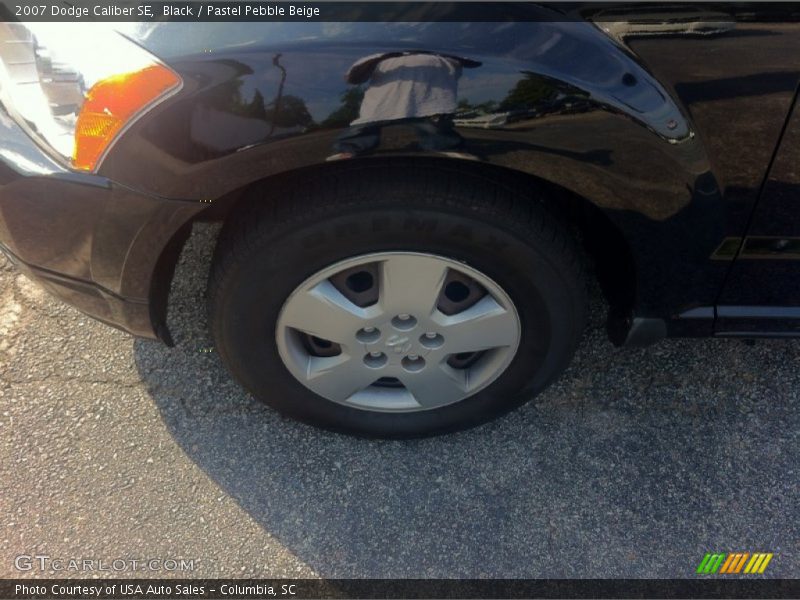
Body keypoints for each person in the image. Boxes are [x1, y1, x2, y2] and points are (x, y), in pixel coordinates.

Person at [327, 50, 481, 160]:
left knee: (436, 127)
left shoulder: (442, 53)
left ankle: (446, 146)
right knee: (363, 128)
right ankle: (348, 149)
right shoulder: (378, 55)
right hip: (384, 102)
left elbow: (474, 62)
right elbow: (353, 79)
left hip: (429, 100)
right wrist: (383, 57)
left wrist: (447, 55)